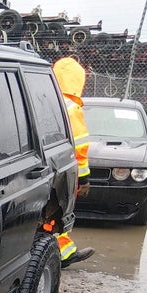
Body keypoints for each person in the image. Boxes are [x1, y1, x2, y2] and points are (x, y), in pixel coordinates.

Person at [52, 57, 95, 268]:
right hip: (62, 168)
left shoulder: (45, 97)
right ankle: (64, 253)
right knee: (61, 211)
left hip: (44, 164)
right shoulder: (71, 107)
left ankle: (62, 251)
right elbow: (79, 146)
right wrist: (84, 179)